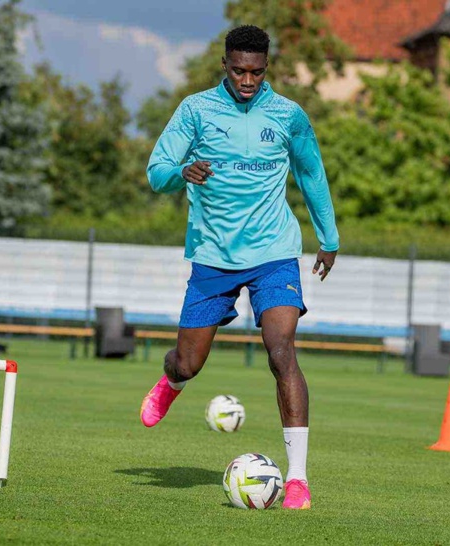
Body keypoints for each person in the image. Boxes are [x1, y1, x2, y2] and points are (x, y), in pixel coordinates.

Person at [139, 25, 339, 509]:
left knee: (281, 350)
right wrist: (180, 172)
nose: (247, 79)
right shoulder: (195, 110)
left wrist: (328, 237)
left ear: (266, 68)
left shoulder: (288, 115)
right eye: (238, 70)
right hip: (213, 254)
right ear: (224, 65)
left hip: (274, 250)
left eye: (256, 71)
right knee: (189, 360)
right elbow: (156, 170)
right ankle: (173, 382)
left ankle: (298, 479)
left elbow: (311, 172)